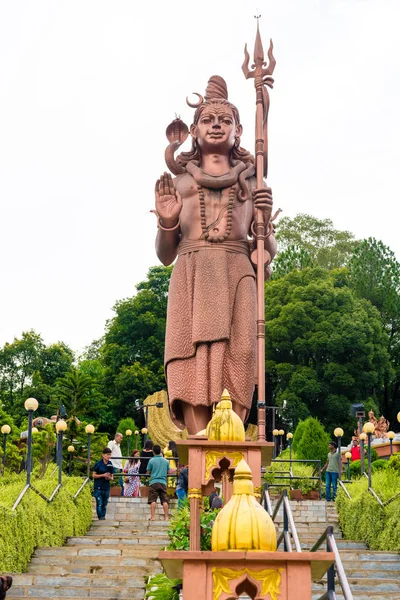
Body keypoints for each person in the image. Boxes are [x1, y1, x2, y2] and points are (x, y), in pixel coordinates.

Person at [154, 75, 277, 435]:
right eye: (208, 120)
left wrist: (265, 223)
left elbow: (266, 253)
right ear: (194, 130)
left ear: (239, 130)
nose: (217, 126)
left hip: (237, 269)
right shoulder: (179, 184)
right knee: (190, 356)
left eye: (225, 121)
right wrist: (166, 221)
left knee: (240, 353)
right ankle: (196, 433)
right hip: (191, 270)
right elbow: (164, 255)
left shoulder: (254, 185)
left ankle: (232, 430)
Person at [147, 444, 172, 521]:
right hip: (163, 482)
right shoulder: (166, 461)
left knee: (153, 500)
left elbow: (148, 472)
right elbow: (168, 471)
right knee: (164, 500)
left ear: (153, 452)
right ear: (160, 451)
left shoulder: (151, 460)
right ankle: (166, 517)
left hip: (153, 482)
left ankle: (153, 517)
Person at [93, 447, 114, 520]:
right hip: (98, 487)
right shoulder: (98, 464)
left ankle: (103, 517)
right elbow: (94, 475)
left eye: (110, 455)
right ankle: (100, 518)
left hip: (106, 487)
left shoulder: (110, 464)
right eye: (107, 454)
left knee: (104, 504)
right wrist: (103, 475)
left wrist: (109, 478)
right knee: (99, 503)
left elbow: (112, 476)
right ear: (103, 455)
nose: (109, 456)